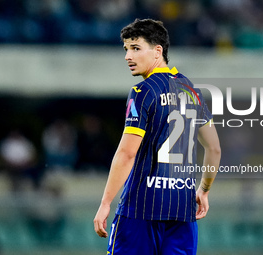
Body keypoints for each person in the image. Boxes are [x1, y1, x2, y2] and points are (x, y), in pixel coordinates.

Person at [94, 18, 221, 255]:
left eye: (135, 48)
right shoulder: (192, 90)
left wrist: (105, 203)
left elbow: (127, 153)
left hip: (141, 210)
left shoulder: (143, 92)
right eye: (126, 49)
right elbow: (214, 148)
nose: (127, 57)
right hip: (183, 211)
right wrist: (203, 190)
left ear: (158, 51)